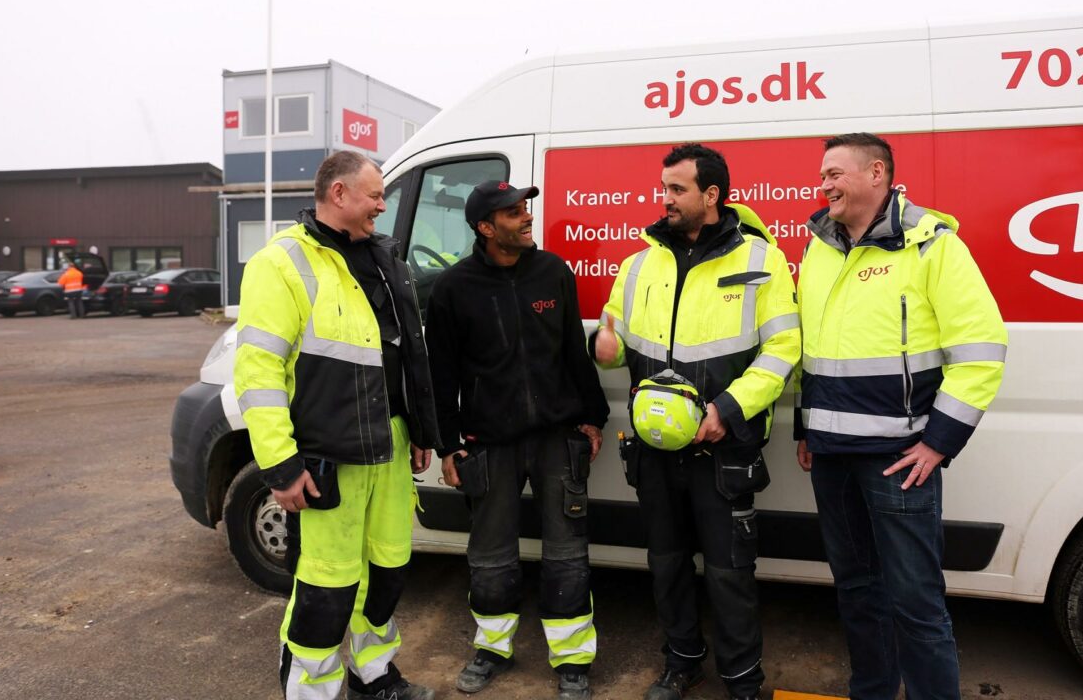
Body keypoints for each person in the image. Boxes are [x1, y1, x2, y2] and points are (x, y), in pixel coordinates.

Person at [794, 133, 1007, 700]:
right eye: (823, 174)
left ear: (877, 173)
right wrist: (806, 426)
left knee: (915, 602)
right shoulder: (820, 246)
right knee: (857, 593)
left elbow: (982, 349)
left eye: (836, 173)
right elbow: (810, 348)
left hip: (899, 459)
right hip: (831, 457)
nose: (825, 184)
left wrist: (938, 442)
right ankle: (873, 692)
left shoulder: (931, 245)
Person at [593, 144, 801, 700]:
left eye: (677, 189)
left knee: (732, 573)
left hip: (722, 447)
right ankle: (680, 662)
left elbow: (784, 349)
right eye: (663, 188)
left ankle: (741, 679)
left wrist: (728, 410)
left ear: (711, 195)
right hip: (654, 448)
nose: (665, 199)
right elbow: (615, 344)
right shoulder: (639, 263)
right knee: (667, 566)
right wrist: (604, 347)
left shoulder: (761, 260)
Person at [234, 150, 441, 700]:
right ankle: (311, 693)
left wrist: (421, 431)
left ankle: (374, 675)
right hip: (330, 457)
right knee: (326, 587)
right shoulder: (280, 262)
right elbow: (258, 373)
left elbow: (405, 355)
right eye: (374, 194)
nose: (381, 203)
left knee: (387, 573)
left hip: (390, 447)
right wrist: (280, 466)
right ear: (339, 194)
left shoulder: (384, 258)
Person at [425, 180, 609, 700]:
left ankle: (573, 659)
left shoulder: (552, 272)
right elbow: (441, 377)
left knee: (568, 552)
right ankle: (492, 649)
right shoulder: (452, 289)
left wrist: (592, 416)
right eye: (513, 213)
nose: (526, 217)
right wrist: (447, 445)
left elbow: (575, 351)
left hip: (557, 436)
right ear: (486, 228)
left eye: (525, 208)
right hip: (489, 441)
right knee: (490, 553)